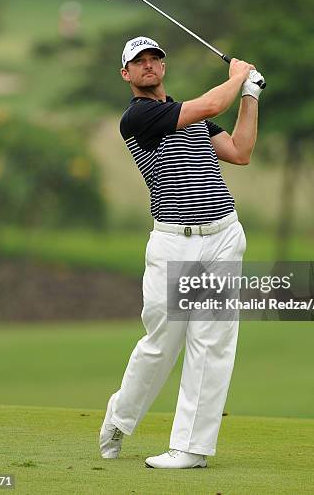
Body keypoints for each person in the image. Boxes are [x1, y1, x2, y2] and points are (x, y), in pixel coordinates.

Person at [99, 35, 261, 469]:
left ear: (163, 68)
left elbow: (240, 152)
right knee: (161, 342)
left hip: (222, 235)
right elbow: (208, 105)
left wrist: (249, 95)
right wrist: (238, 75)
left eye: (155, 59)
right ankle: (120, 416)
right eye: (139, 61)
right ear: (126, 74)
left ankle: (191, 447)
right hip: (173, 242)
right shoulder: (140, 116)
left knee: (211, 344)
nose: (149, 65)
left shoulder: (189, 115)